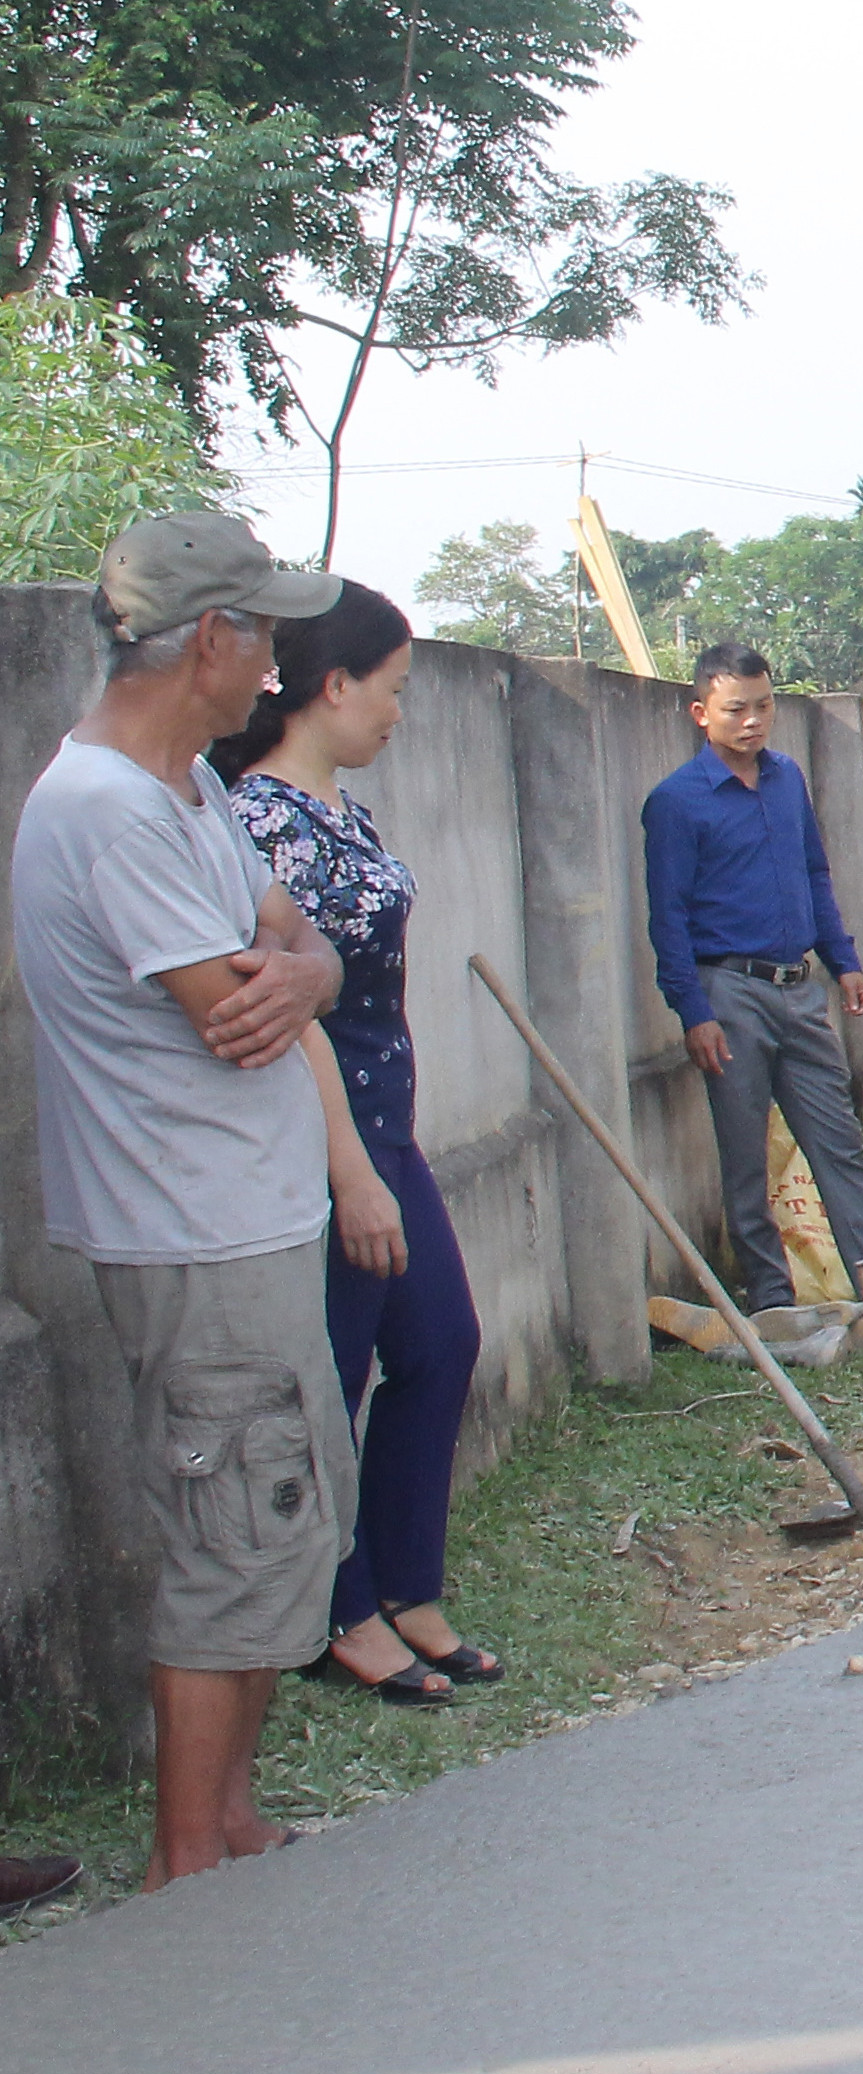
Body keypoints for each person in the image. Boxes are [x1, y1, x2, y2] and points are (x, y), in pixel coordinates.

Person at [13, 512, 349, 1884]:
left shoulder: (187, 789)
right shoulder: (104, 810)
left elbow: (295, 947)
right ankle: (185, 1860)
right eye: (262, 636)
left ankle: (231, 1818)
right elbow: (234, 1010)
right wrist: (293, 978)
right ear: (209, 637)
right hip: (197, 1230)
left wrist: (312, 971)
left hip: (249, 1221)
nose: (272, 667)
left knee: (277, 1525)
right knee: (230, 1534)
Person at [210, 583, 504, 1707]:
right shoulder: (259, 821)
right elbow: (288, 1013)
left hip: (386, 1118)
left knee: (439, 1340)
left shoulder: (343, 811)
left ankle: (407, 1588)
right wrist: (347, 1167)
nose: (399, 714)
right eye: (392, 692)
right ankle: (339, 1609)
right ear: (332, 688)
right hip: (318, 1131)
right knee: (332, 1376)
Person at [642, 643, 863, 1326]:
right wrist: (692, 1009)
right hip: (728, 992)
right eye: (737, 709)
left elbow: (815, 874)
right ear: (702, 713)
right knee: (744, 1152)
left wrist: (843, 958)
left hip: (800, 986)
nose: (754, 721)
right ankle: (772, 1302)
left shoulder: (786, 779)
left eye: (764, 706)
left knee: (836, 1138)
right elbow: (666, 917)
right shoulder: (676, 803)